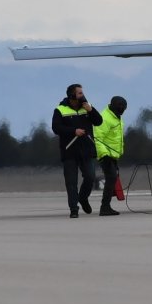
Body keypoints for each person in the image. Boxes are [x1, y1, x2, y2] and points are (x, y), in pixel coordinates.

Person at [52, 83, 103, 218]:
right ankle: (74, 209)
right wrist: (73, 131)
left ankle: (83, 197)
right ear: (72, 95)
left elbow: (99, 121)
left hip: (87, 149)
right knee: (71, 182)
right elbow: (56, 128)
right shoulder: (60, 110)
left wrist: (91, 110)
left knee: (90, 177)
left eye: (82, 93)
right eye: (79, 93)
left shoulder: (87, 106)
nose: (82, 95)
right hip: (69, 151)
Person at [93, 96, 128, 217]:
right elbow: (97, 138)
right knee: (111, 177)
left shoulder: (117, 117)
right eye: (119, 106)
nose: (122, 109)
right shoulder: (105, 118)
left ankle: (106, 206)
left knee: (112, 179)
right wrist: (104, 155)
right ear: (112, 105)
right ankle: (105, 207)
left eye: (124, 107)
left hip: (113, 155)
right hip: (105, 155)